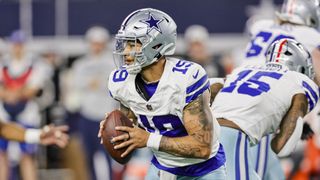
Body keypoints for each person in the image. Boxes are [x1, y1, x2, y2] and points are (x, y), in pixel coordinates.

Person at [98, 8, 226, 179]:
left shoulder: (185, 78)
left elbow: (202, 147)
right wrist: (117, 131)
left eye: (133, 44)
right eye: (125, 43)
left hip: (204, 169)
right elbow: (133, 129)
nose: (126, 52)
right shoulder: (121, 82)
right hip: (163, 166)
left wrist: (149, 139)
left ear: (157, 46)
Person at [210, 38, 319, 180]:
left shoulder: (243, 71)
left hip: (199, 133)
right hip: (231, 138)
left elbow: (211, 86)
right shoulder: (299, 82)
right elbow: (282, 148)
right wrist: (292, 125)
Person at [242, 0, 320, 178]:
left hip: (239, 91)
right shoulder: (310, 34)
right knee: (256, 170)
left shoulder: (262, 25)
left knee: (272, 170)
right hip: (262, 103)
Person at [0, 30, 53, 180]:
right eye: (15, 44)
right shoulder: (3, 63)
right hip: (5, 114)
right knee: (2, 156)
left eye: (20, 44)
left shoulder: (35, 64)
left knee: (27, 156)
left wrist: (10, 93)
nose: (17, 48)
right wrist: (16, 92)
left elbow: (32, 90)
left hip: (26, 115)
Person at [71, 26, 118, 180]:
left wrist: (93, 84)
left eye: (100, 43)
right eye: (94, 43)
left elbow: (114, 86)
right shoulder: (80, 64)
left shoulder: (114, 63)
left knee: (108, 155)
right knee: (88, 155)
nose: (97, 46)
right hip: (87, 114)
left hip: (107, 115)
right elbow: (76, 85)